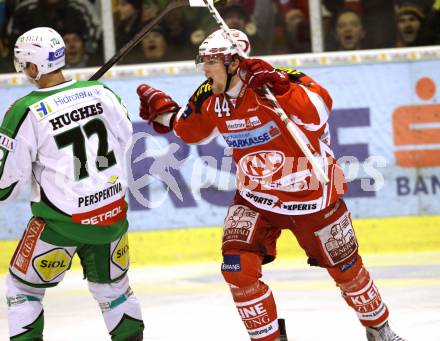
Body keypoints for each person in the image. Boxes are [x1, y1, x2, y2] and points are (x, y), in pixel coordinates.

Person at [136, 28, 407, 341]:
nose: (206, 67)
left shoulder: (276, 81)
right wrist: (167, 114)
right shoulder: (209, 95)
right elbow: (190, 130)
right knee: (237, 269)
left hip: (312, 197)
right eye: (204, 60)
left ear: (235, 62)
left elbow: (319, 112)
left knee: (347, 272)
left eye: (213, 60)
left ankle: (380, 329)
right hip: (255, 198)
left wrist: (281, 88)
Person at [1, 27, 144, 341]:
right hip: (111, 218)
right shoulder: (102, 93)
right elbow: (127, 137)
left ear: (34, 67)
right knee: (114, 291)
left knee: (22, 290)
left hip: (60, 224)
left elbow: (5, 186)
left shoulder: (23, 111)